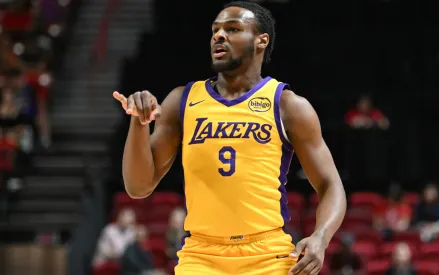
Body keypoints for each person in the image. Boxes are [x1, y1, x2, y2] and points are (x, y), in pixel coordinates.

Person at [112, 2, 346, 274]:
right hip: (201, 255)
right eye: (215, 30)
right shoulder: (182, 101)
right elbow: (138, 187)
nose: (219, 35)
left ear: (261, 41)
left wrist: (321, 236)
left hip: (267, 254)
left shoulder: (288, 105)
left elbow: (332, 185)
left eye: (232, 29)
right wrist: (139, 124)